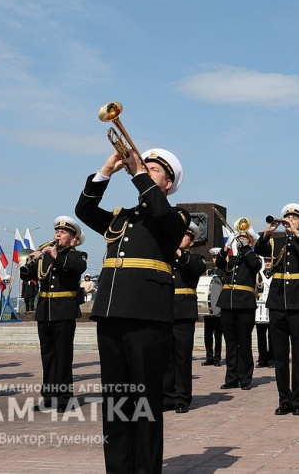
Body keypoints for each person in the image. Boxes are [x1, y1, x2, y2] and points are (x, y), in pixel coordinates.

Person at [75, 147, 186, 474]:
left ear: (167, 183)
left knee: (145, 401)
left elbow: (160, 211)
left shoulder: (175, 217)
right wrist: (107, 169)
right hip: (111, 314)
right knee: (116, 402)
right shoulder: (121, 217)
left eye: (153, 170)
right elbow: (84, 209)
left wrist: (138, 171)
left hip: (147, 317)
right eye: (143, 166)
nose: (144, 170)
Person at [255, 204, 299, 416]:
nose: (290, 220)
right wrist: (268, 232)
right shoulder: (276, 241)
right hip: (277, 302)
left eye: (294, 218)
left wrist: (296, 234)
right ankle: (284, 399)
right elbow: (259, 249)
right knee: (280, 355)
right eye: (288, 217)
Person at [20, 216, 87, 412]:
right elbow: (29, 274)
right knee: (47, 356)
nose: (58, 234)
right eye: (57, 231)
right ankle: (48, 397)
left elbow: (77, 268)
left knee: (63, 356)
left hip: (64, 310)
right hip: (45, 310)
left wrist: (56, 256)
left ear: (72, 237)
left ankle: (65, 398)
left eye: (63, 232)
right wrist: (31, 261)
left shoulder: (77, 255)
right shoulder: (46, 254)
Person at [164, 219, 206, 413]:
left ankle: (182, 398)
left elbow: (197, 269)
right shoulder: (165, 257)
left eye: (184, 235)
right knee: (165, 358)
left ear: (191, 241)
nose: (179, 237)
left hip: (183, 313)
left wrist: (180, 254)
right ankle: (167, 397)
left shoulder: (196, 258)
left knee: (182, 358)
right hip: (163, 311)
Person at [215, 225, 260, 392]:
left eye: (245, 237)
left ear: (250, 241)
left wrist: (246, 247)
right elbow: (219, 263)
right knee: (230, 342)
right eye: (240, 237)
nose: (241, 240)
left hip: (245, 304)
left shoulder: (253, 256)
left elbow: (255, 265)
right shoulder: (231, 258)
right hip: (227, 302)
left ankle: (245, 378)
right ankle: (231, 377)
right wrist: (226, 247)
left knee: (244, 342)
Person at [202, 247, 224, 367]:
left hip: (219, 308)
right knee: (207, 334)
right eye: (213, 257)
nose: (215, 259)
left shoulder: (224, 271)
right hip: (209, 307)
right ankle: (209, 357)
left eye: (217, 257)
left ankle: (217, 357)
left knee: (218, 335)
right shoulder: (209, 272)